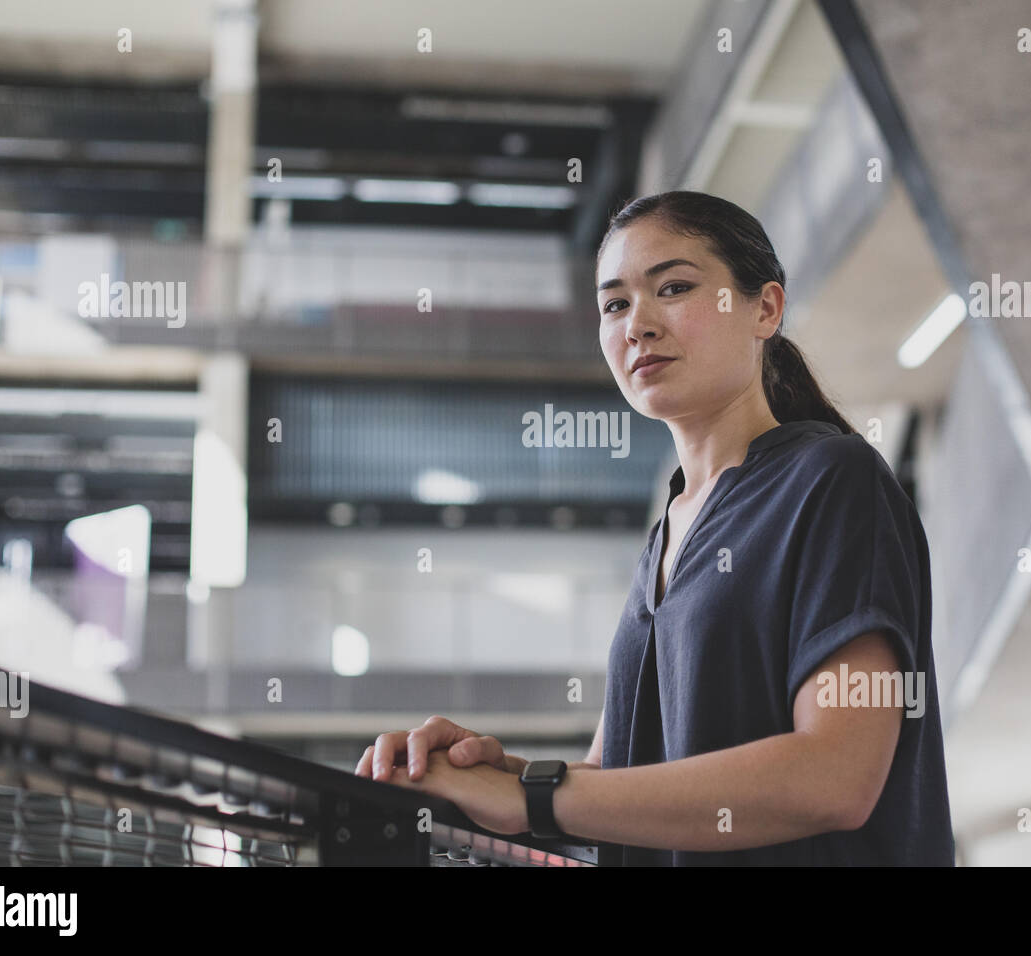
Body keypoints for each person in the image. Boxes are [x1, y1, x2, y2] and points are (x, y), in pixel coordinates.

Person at [356, 190, 955, 865]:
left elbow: (834, 777)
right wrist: (498, 778)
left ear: (765, 308)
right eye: (614, 304)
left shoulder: (832, 478)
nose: (637, 323)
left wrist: (536, 800)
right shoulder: (667, 530)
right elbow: (617, 786)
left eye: (672, 287)